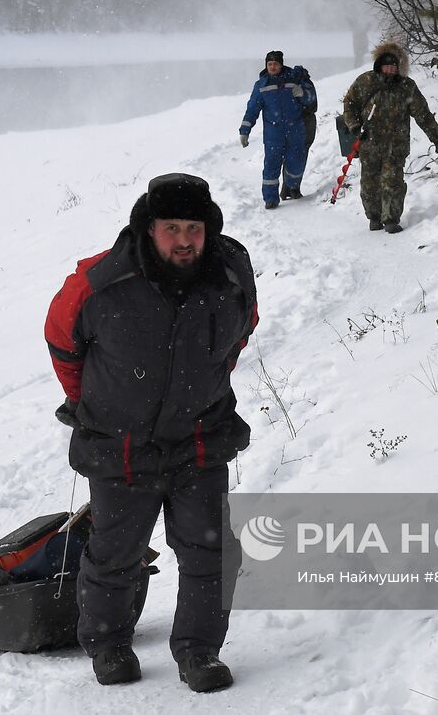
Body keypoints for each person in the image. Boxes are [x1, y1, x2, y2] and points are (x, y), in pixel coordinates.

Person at [44, 173, 258, 693]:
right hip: (120, 445)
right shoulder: (102, 281)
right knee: (115, 553)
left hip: (200, 439)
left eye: (193, 228)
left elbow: (243, 326)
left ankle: (199, 652)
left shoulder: (229, 272)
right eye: (171, 228)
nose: (184, 240)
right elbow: (61, 341)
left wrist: (205, 378)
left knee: (210, 552)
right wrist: (91, 403)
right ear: (148, 229)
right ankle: (109, 644)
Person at [341, 42, 438, 234]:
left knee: (392, 181)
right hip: (369, 143)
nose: (390, 69)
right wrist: (354, 126)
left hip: (396, 144)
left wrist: (435, 136)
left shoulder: (406, 86)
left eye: (394, 66)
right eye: (386, 66)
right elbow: (350, 104)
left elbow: (422, 112)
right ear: (379, 65)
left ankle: (390, 219)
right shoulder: (365, 82)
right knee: (369, 183)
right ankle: (374, 216)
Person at [239, 50, 317, 208]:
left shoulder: (293, 79)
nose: (272, 67)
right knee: (271, 166)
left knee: (296, 162)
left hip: (296, 129)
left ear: (281, 64)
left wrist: (302, 93)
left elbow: (310, 100)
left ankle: (292, 187)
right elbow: (252, 109)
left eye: (275, 63)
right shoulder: (261, 85)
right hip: (273, 133)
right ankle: (270, 199)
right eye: (270, 64)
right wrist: (244, 130)